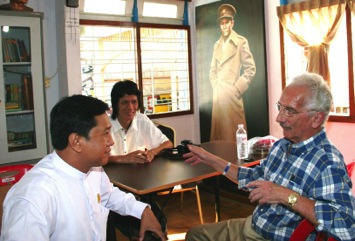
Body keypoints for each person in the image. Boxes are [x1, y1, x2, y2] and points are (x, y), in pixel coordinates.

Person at [184, 73, 355, 240]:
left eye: (289, 111)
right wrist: (210, 159)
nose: (279, 118)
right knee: (195, 234)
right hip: (254, 225)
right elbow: (252, 178)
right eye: (280, 107)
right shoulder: (282, 145)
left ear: (316, 118)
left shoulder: (327, 162)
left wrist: (286, 195)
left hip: (269, 236)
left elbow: (347, 226)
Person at [0, 95, 166, 241]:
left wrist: (143, 210)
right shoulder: (34, 197)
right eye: (105, 133)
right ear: (76, 142)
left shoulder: (93, 169)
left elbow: (107, 194)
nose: (111, 141)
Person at [209, 3, 256, 142]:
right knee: (219, 136)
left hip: (232, 96)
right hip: (218, 97)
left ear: (232, 23)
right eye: (222, 23)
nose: (224, 26)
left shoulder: (241, 42)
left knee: (234, 135)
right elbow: (212, 70)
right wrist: (215, 84)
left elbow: (250, 68)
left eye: (227, 22)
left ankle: (236, 162)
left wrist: (237, 89)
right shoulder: (216, 45)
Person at [108, 80, 173, 164]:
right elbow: (96, 158)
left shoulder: (142, 120)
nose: (130, 107)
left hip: (138, 173)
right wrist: (123, 158)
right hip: (111, 175)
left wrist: (152, 152)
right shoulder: (105, 124)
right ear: (116, 104)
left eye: (134, 102)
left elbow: (168, 144)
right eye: (125, 102)